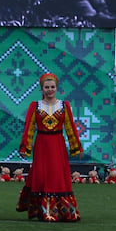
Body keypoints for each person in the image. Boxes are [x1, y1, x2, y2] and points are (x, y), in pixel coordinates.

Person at [16, 72, 83, 222]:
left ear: (56, 88)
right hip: (41, 144)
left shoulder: (64, 105)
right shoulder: (35, 106)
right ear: (42, 89)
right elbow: (29, 127)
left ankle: (62, 211)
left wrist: (76, 147)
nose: (50, 89)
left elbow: (70, 127)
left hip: (57, 144)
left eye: (52, 87)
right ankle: (42, 211)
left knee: (57, 174)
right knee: (41, 174)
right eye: (47, 87)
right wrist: (25, 148)